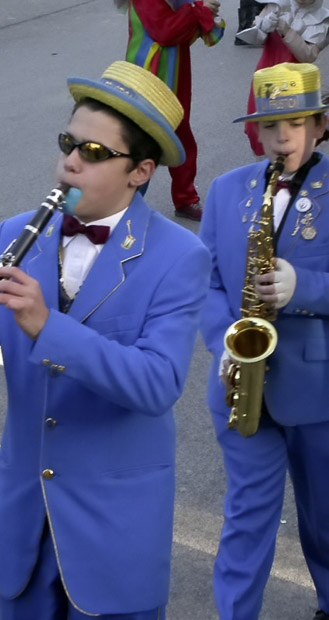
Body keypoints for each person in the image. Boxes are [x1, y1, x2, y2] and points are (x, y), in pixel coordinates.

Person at [0, 60, 211, 620]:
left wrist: (47, 326)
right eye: (68, 143)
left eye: (94, 152)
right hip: (24, 518)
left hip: (115, 529)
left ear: (141, 171)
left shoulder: (180, 256)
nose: (70, 162)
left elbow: (158, 384)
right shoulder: (15, 233)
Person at [199, 62, 329, 620]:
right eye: (270, 126)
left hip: (318, 390)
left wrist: (308, 288)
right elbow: (207, 281)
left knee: (324, 516)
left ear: (319, 126)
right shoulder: (227, 190)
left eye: (295, 123)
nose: (282, 138)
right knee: (247, 516)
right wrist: (223, 340)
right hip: (241, 384)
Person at [123, 0, 225, 221]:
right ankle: (125, 205)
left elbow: (183, 33)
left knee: (182, 139)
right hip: (148, 79)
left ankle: (185, 198)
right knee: (145, 143)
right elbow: (166, 32)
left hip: (174, 77)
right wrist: (197, 10)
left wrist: (203, 11)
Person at [243, 0, 329, 154]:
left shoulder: (323, 18)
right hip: (265, 74)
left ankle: (287, 165)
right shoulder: (276, 4)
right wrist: (262, 27)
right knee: (255, 128)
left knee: (289, 131)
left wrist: (287, 31)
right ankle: (267, 165)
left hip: (296, 82)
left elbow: (308, 56)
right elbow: (254, 39)